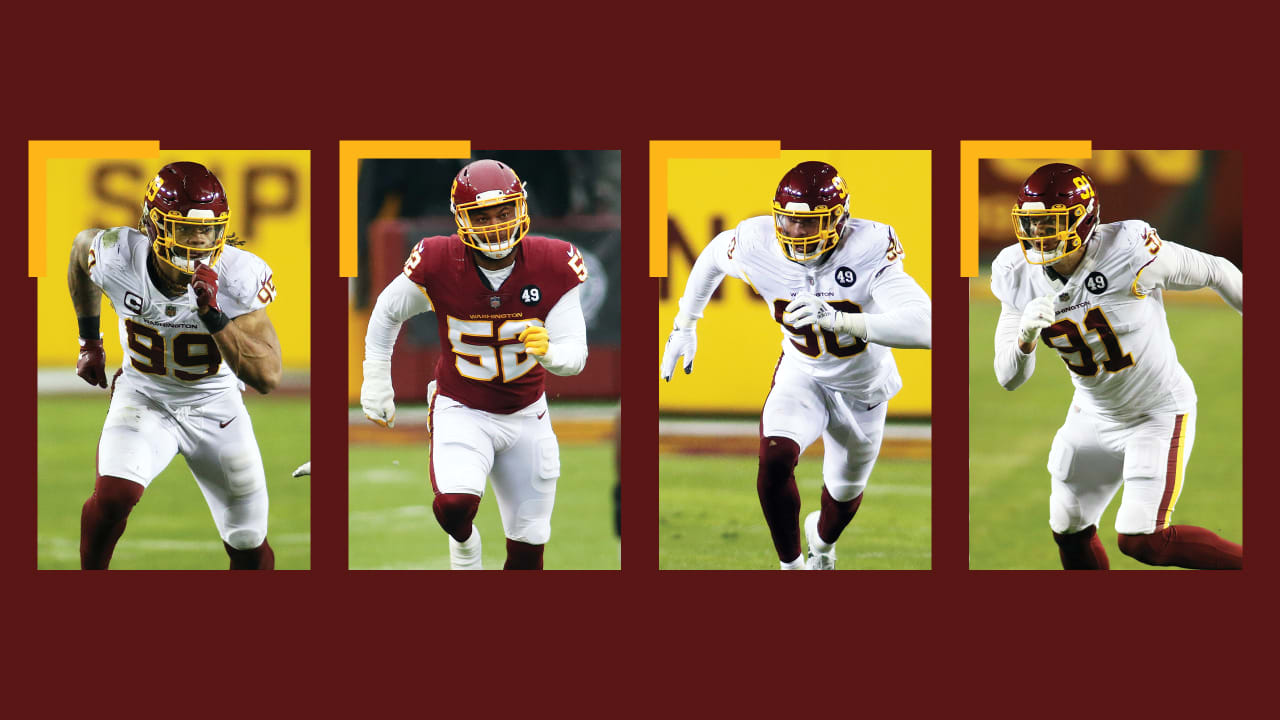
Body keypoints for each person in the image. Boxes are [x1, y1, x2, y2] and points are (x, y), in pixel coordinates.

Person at [660, 161, 931, 569]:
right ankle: (792, 568)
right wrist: (685, 324)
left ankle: (821, 545)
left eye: (810, 223)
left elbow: (927, 327)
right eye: (787, 221)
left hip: (863, 391)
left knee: (841, 500)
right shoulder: (758, 243)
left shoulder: (870, 247)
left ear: (840, 218)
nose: (795, 233)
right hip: (802, 372)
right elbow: (714, 256)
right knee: (775, 457)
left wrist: (839, 320)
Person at [992, 162, 1243, 569]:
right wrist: (1024, 338)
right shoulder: (1015, 273)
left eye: (1051, 223)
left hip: (1155, 411)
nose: (1039, 235)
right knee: (1068, 528)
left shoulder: (1129, 250)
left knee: (1143, 540)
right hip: (1092, 413)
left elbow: (1217, 270)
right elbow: (1008, 378)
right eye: (1032, 224)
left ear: (1083, 220)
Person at [361, 159, 588, 570]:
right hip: (461, 406)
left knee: (528, 548)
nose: (498, 225)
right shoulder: (438, 259)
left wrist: (549, 352)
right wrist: (376, 380)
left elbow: (575, 355)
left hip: (526, 414)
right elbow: (387, 312)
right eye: (483, 216)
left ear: (522, 208)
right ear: (461, 219)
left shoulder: (554, 261)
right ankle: (466, 549)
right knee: (454, 507)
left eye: (505, 212)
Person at [70, 161, 282, 570]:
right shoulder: (118, 255)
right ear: (153, 225)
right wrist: (89, 341)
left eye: (208, 228)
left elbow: (269, 377)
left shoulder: (239, 275)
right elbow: (81, 251)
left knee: (247, 540)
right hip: (145, 395)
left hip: (217, 406)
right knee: (115, 493)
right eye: (185, 227)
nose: (199, 240)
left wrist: (214, 315)